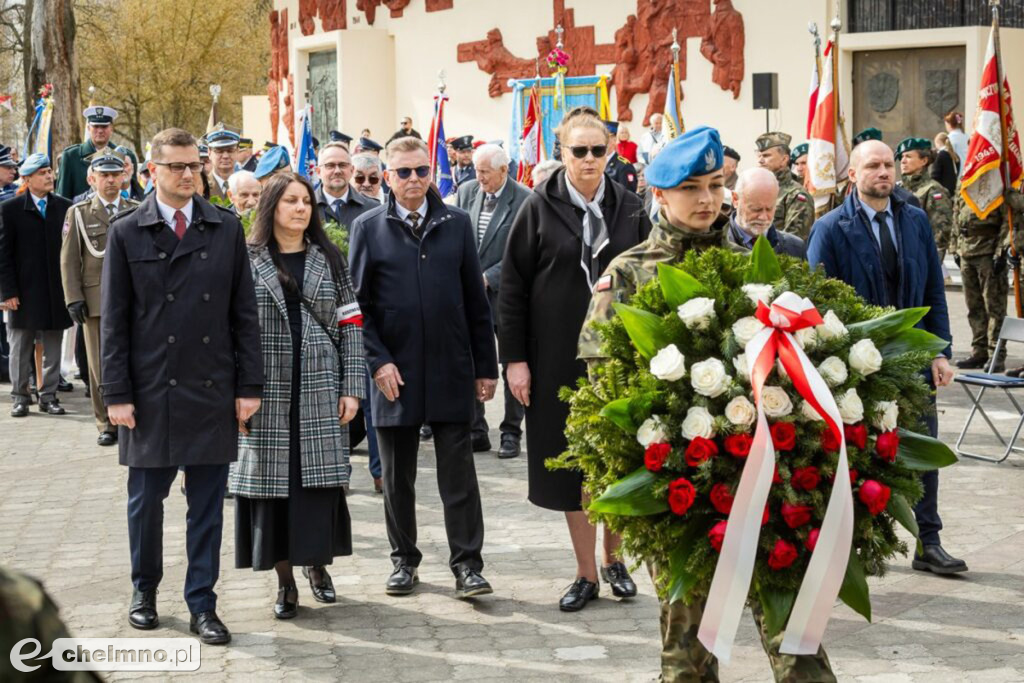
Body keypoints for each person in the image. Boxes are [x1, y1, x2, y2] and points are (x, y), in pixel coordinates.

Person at [583, 126, 833, 681]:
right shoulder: (626, 275)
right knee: (689, 651)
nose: (706, 200)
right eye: (691, 187)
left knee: (797, 637)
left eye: (716, 185)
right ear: (660, 194)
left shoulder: (753, 268)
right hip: (681, 493)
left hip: (766, 482)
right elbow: (606, 388)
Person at [101, 128, 263, 645]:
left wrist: (249, 386)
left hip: (212, 388)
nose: (189, 174)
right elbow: (115, 323)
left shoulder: (225, 228)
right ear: (152, 172)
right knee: (146, 503)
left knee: (208, 507)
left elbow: (244, 314)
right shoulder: (128, 231)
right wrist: (116, 394)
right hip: (149, 392)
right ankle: (144, 591)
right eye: (176, 166)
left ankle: (202, 603)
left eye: (194, 165)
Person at [500, 108, 650, 612]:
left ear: (611, 152)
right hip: (558, 357)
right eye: (578, 150)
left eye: (598, 150)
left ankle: (616, 561)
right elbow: (513, 290)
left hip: (622, 357)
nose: (589, 160)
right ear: (561, 152)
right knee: (575, 465)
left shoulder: (631, 208)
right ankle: (586, 572)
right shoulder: (537, 206)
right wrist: (515, 360)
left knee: (623, 459)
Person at [807, 138, 967, 576]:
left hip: (912, 359)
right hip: (856, 366)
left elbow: (934, 291)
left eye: (888, 165)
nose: (883, 172)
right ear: (853, 175)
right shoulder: (831, 228)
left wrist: (941, 352)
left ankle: (927, 541)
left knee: (922, 449)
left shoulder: (914, 220)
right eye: (873, 166)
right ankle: (850, 548)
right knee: (857, 457)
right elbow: (816, 303)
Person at [349, 136, 498, 600]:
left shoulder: (456, 223)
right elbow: (357, 308)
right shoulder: (369, 227)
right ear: (387, 177)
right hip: (395, 374)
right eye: (403, 172)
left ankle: (468, 566)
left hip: (451, 368)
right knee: (397, 476)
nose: (414, 180)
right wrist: (378, 361)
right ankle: (403, 561)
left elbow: (476, 301)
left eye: (421, 171)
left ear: (430, 173)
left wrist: (485, 367)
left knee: (458, 475)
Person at [232, 172, 364, 619]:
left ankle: (318, 566)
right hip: (265, 391)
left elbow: (352, 327)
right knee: (274, 493)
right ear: (271, 206)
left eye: (306, 201)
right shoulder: (247, 259)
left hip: (320, 386)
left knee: (317, 486)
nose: (301, 209)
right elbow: (230, 330)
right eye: (290, 201)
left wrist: (352, 388)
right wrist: (237, 392)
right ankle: (286, 583)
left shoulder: (329, 258)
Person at [455, 143, 530, 459]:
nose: (479, 177)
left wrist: (489, 276)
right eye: (476, 170)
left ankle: (511, 431)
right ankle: (476, 429)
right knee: (470, 357)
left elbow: (524, 252)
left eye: (485, 171)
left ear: (504, 170)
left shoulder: (525, 200)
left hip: (507, 296)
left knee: (511, 360)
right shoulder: (467, 191)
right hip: (470, 297)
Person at [60, 152, 138, 444]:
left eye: (115, 175)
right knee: (98, 364)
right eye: (104, 175)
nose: (110, 180)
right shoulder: (79, 212)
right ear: (91, 179)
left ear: (123, 177)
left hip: (132, 299)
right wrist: (73, 297)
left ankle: (131, 414)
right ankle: (105, 422)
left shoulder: (135, 208)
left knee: (134, 357)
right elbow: (68, 260)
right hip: (96, 300)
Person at [0, 154, 73, 417]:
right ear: (27, 178)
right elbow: (3, 254)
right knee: (20, 346)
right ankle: (20, 396)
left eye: (50, 171)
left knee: (53, 348)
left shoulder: (65, 207)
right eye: (42, 173)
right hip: (23, 291)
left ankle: (48, 396)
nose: (49, 176)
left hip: (56, 291)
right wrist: (7, 292)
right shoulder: (10, 209)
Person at [950, 186, 1024, 371]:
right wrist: (955, 248)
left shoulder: (997, 180)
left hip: (988, 252)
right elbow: (956, 216)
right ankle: (979, 351)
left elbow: (1007, 220)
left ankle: (996, 355)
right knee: (973, 307)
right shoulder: (968, 180)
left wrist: (1002, 249)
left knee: (994, 308)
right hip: (967, 250)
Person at [56, 106, 140, 201]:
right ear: (88, 128)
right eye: (95, 126)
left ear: (112, 128)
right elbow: (62, 198)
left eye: (104, 126)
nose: (100, 131)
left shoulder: (126, 156)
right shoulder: (71, 156)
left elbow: (135, 194)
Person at [726, 167, 806, 258]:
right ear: (735, 200)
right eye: (756, 209)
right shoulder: (715, 248)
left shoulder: (795, 247)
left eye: (769, 209)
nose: (763, 217)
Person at [896, 137, 953, 262]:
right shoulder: (896, 188)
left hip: (919, 258)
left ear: (924, 161)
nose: (903, 161)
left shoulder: (934, 190)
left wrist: (932, 265)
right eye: (902, 157)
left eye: (908, 157)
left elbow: (940, 234)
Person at [755, 131, 814, 238]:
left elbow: (793, 242)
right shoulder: (755, 190)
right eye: (758, 156)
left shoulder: (796, 195)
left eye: (766, 155)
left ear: (784, 159)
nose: (760, 160)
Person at [315, 142, 375, 228]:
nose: (337, 171)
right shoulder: (306, 207)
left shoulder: (372, 209)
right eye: (330, 165)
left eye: (343, 165)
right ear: (318, 172)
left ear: (352, 170)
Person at [206, 126, 240, 201]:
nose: (225, 156)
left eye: (230, 150)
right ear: (209, 153)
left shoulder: (247, 185)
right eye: (219, 151)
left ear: (237, 151)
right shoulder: (202, 186)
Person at [603, 121, 639, 193]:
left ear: (614, 140)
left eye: (606, 139)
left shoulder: (624, 166)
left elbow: (628, 195)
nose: (602, 142)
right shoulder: (596, 162)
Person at [944, 111, 968, 176]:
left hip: (958, 170)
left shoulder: (950, 138)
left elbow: (945, 155)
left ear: (949, 125)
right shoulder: (966, 136)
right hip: (968, 169)